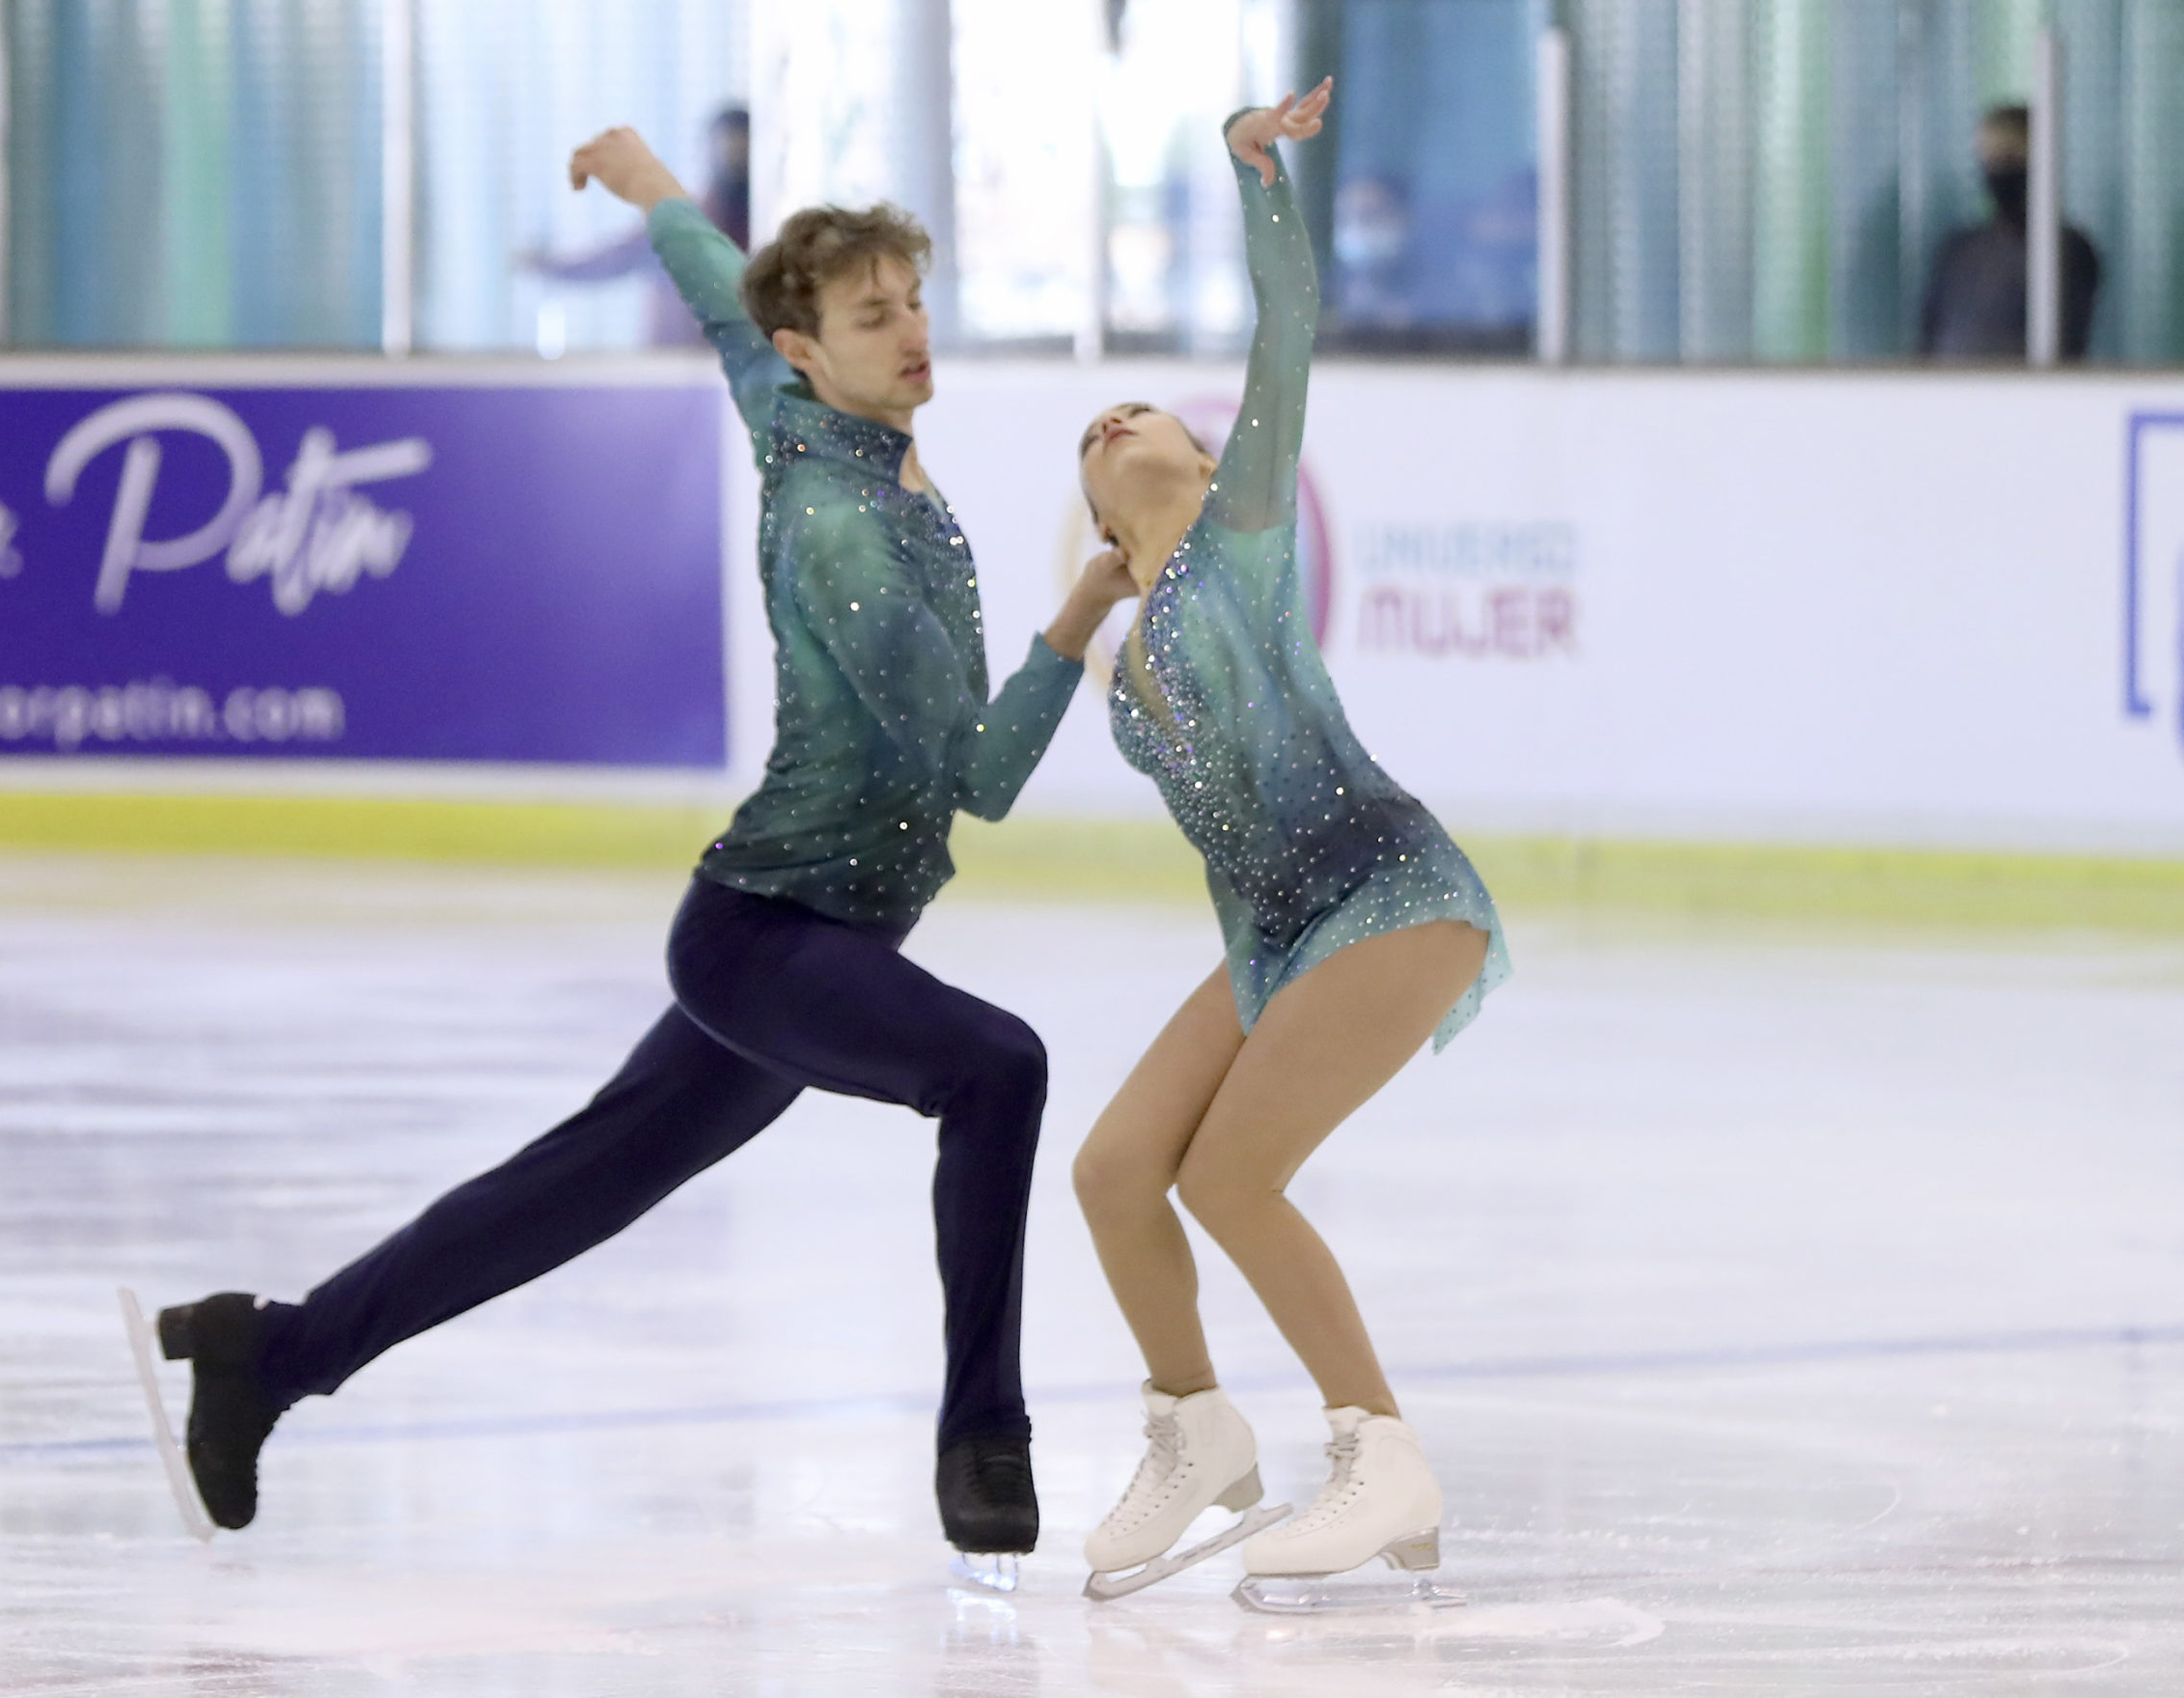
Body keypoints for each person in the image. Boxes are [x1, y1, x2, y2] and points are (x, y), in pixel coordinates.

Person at [143, 124, 1137, 1568]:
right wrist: (1086, 604)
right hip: (769, 939)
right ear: (810, 349)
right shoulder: (841, 528)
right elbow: (978, 778)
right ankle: (982, 1434)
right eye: (876, 316)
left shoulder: (795, 402)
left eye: (914, 299)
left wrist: (650, 182)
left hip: (818, 936)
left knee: (570, 1188)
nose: (914, 331)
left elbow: (717, 284)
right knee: (998, 1067)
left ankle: (271, 1351)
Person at [1064, 81, 1510, 1598]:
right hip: (1275, 931)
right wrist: (1073, 622)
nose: (1113, 419)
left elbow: (1289, 328)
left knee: (1232, 1176)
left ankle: (1380, 1448)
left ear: (1200, 463)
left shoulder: (1243, 540)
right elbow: (981, 765)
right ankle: (1195, 1429)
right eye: (1087, 438)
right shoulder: (1121, 662)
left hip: (1392, 891)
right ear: (1104, 532)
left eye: (1143, 412)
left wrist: (1254, 176)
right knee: (1122, 1166)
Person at [516, 106, 751, 348]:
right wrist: (547, 265)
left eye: (742, 150)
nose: (734, 159)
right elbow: (609, 261)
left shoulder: (763, 233)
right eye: (728, 149)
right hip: (673, 369)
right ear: (708, 153)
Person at [1920, 103, 2100, 362]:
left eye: (2011, 158)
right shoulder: (1958, 249)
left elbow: (2065, 344)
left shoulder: (2065, 250)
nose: (1999, 171)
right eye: (1990, 159)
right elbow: (1927, 341)